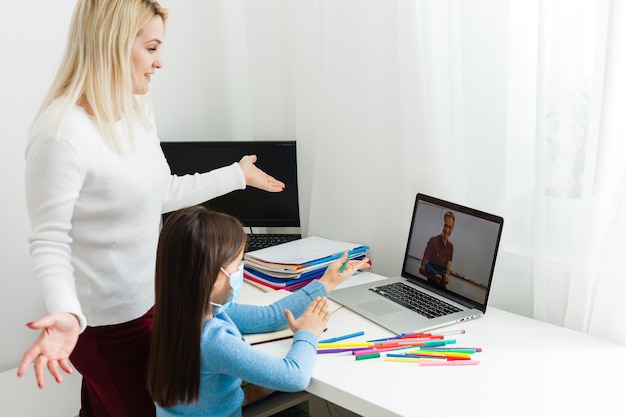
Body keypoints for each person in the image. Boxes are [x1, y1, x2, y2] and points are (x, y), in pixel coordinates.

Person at [17, 1, 286, 416]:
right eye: (152, 48)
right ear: (114, 45)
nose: (160, 62)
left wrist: (236, 175)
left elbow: (160, 192)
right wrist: (68, 314)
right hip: (108, 327)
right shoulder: (61, 134)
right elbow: (49, 241)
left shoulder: (136, 109)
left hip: (155, 302)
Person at [146, 206, 370, 417]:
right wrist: (308, 333)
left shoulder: (177, 313)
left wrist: (326, 282)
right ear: (208, 276)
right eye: (237, 266)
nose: (239, 273)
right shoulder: (212, 340)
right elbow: (294, 377)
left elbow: (270, 317)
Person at [420, 211, 455, 288]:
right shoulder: (433, 241)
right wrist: (433, 277)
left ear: (453, 228)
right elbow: (421, 268)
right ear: (442, 224)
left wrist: (447, 278)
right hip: (429, 285)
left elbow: (447, 273)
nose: (447, 230)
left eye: (450, 227)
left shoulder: (451, 247)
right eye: (445, 225)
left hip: (441, 287)